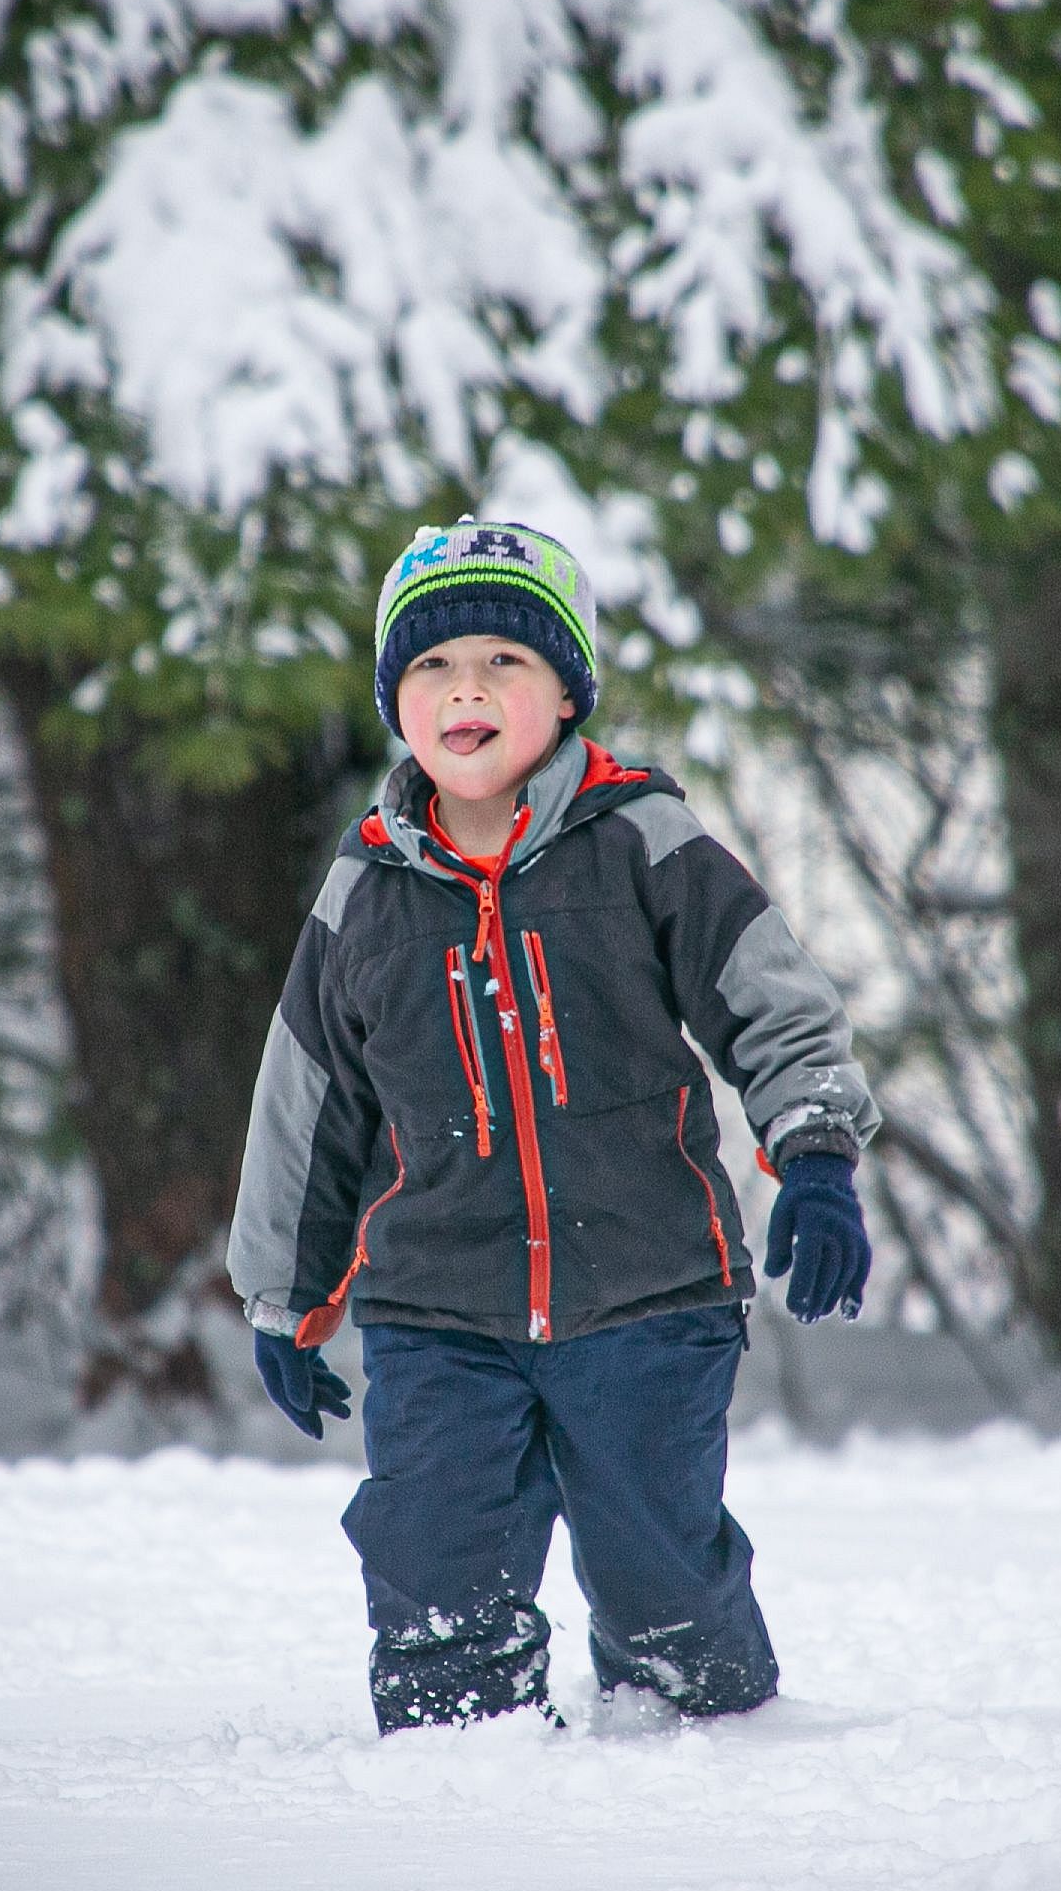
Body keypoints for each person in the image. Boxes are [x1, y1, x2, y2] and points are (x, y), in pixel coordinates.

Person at [227, 516, 880, 1732]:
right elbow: (309, 1103)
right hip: (438, 1307)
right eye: (430, 664)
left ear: (567, 694)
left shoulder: (642, 844)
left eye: (503, 659)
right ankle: (456, 1778)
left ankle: (714, 1744)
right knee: (434, 1562)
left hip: (648, 1288)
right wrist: (282, 1289)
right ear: (397, 702)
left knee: (661, 1574)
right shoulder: (364, 894)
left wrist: (818, 1156)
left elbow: (772, 1001)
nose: (464, 684)